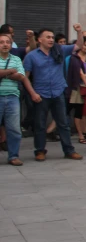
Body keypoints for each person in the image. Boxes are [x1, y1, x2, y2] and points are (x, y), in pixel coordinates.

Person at [23, 25, 84, 161]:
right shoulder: (31, 56)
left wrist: (79, 32)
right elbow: (25, 77)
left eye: (52, 37)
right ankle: (40, 150)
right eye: (48, 37)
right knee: (40, 124)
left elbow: (78, 45)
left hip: (58, 92)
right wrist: (32, 93)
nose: (51, 40)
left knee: (63, 123)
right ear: (39, 40)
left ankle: (69, 150)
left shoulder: (59, 50)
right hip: (41, 94)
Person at [0, 33, 39, 166]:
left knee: (14, 129)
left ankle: (13, 156)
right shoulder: (13, 64)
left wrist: (5, 73)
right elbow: (15, 73)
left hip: (12, 97)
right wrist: (10, 71)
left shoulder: (16, 58)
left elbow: (21, 76)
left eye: (7, 42)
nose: (5, 44)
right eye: (2, 42)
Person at [65, 36, 86, 145]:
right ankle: (80, 134)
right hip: (77, 88)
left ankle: (85, 132)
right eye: (85, 45)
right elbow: (80, 73)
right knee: (76, 110)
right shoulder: (73, 57)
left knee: (83, 111)